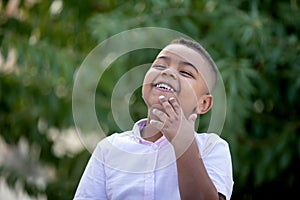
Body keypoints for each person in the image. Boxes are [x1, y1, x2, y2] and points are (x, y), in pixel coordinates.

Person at [73, 37, 234, 200]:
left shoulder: (212, 147)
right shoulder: (109, 149)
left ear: (203, 103)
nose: (168, 72)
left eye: (185, 72)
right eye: (159, 65)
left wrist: (183, 142)